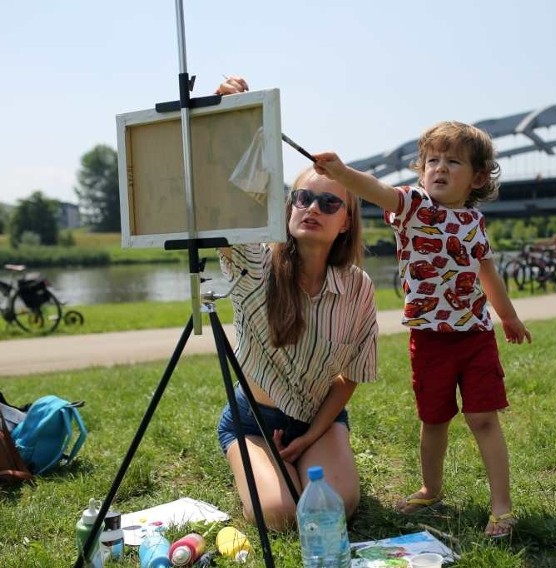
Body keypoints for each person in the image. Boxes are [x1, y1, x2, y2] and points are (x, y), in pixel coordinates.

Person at [313, 121, 532, 538]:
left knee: (484, 418)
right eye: (433, 160)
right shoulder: (414, 206)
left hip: (475, 338)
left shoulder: (474, 221)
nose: (440, 168)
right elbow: (378, 189)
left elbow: (488, 273)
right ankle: (431, 488)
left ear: (479, 177)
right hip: (429, 340)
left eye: (453, 161)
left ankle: (502, 508)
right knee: (434, 420)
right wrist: (342, 174)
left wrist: (507, 315)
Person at [214, 77, 378, 531]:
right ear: (289, 207)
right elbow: (233, 204)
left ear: (346, 223)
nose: (313, 208)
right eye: (303, 198)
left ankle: (300, 461)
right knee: (281, 514)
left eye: (329, 203)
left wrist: (313, 434)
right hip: (253, 421)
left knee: (335, 506)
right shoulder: (255, 265)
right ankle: (258, 466)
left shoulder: (359, 287)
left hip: (317, 418)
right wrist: (236, 118)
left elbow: (350, 378)